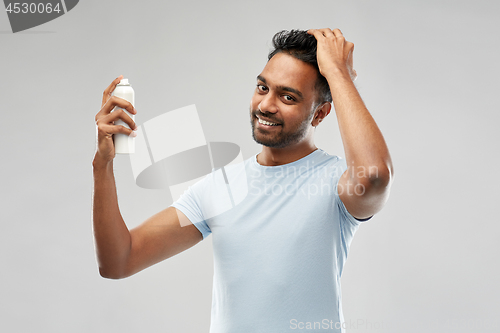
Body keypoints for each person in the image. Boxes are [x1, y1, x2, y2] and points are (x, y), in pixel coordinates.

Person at [92, 28, 393, 332]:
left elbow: (374, 176)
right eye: (263, 88)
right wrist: (102, 164)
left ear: (320, 114)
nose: (266, 106)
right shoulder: (219, 187)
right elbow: (119, 261)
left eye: (288, 97)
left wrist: (338, 73)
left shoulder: (337, 182)